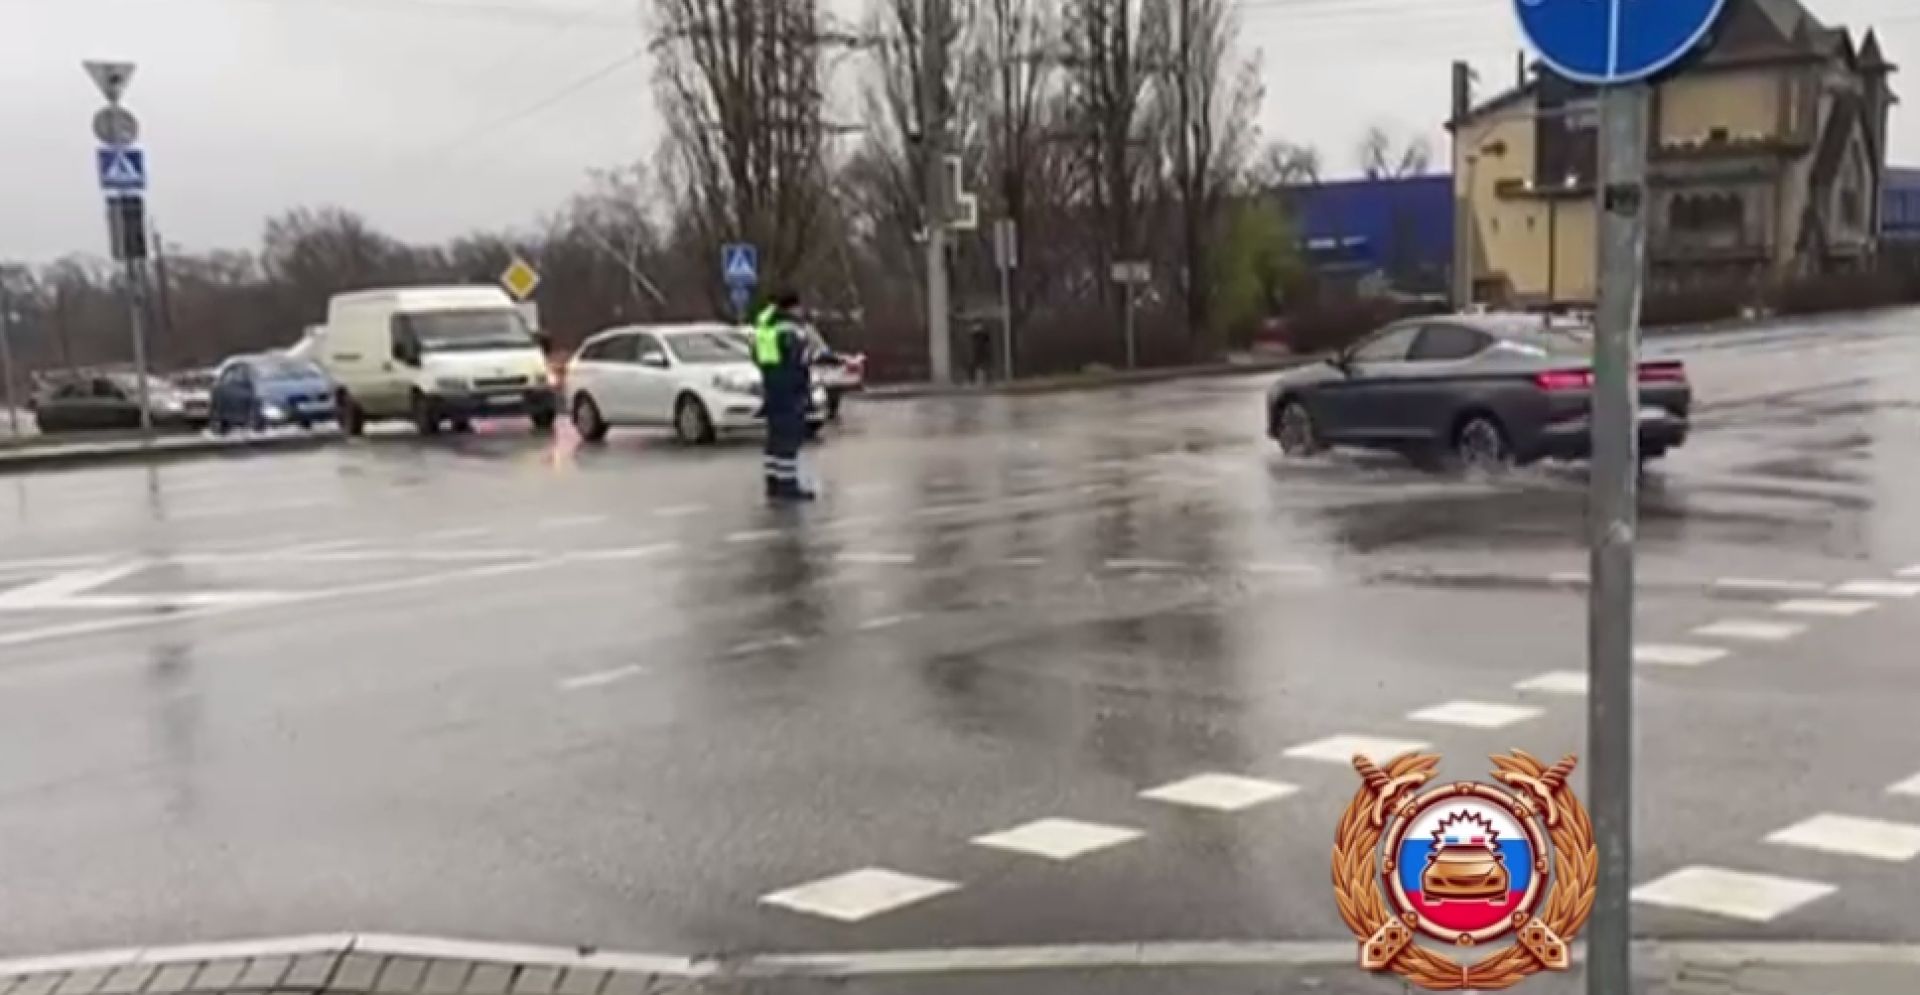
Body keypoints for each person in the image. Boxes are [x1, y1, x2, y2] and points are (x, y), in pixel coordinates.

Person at [753, 291, 816, 502]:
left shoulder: (765, 328)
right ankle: (788, 487)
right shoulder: (790, 330)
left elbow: (757, 356)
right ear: (793, 307)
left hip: (772, 389)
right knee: (789, 439)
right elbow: (800, 360)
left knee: (775, 439)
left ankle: (774, 482)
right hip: (790, 391)